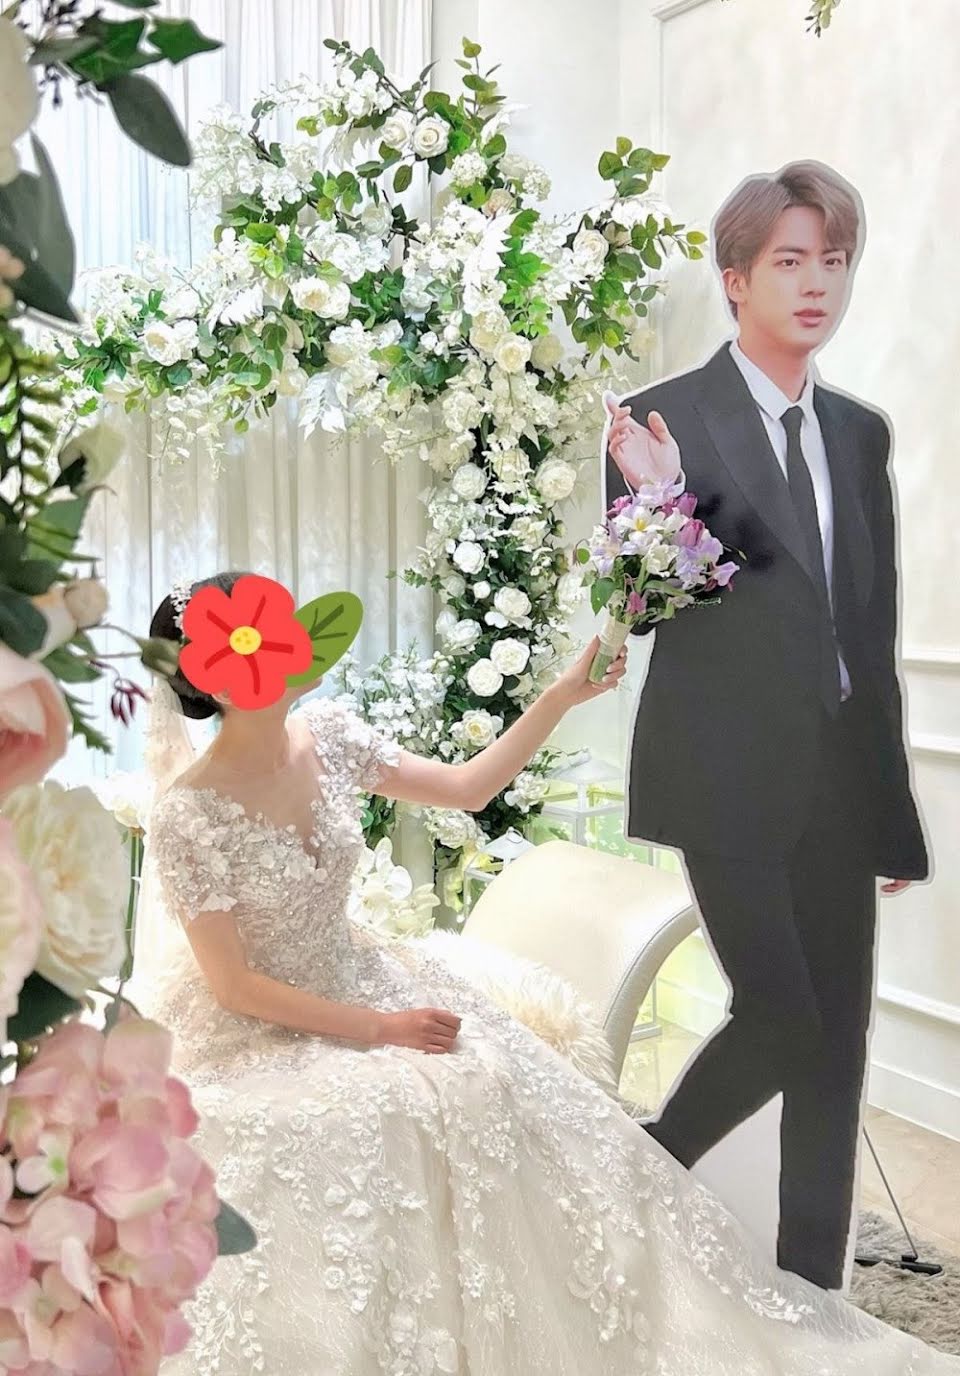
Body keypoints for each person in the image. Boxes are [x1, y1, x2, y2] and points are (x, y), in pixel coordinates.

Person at [136, 571, 955, 1376]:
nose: (294, 644)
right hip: (258, 1027)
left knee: (494, 1080)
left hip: (360, 973)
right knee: (383, 1110)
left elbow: (467, 789)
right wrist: (382, 1030)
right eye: (265, 638)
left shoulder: (331, 734)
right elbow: (235, 987)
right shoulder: (187, 812)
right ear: (217, 677)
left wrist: (563, 695)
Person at [604, 160, 928, 1293]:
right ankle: (637, 1169)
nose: (816, 283)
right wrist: (659, 500)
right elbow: (647, 610)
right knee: (783, 1017)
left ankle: (813, 1290)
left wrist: (891, 808)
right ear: (736, 277)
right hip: (722, 771)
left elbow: (867, 630)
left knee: (836, 1046)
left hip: (842, 777)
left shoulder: (859, 432)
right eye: (790, 260)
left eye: (833, 260)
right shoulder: (660, 418)